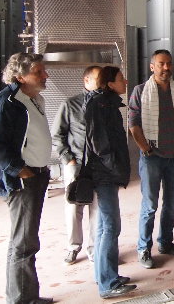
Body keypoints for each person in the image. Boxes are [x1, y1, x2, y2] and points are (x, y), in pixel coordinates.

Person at [0, 53, 53, 304]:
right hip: (23, 180)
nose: (45, 75)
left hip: (38, 175)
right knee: (23, 242)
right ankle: (21, 300)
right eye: (38, 72)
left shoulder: (34, 99)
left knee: (26, 239)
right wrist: (19, 170)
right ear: (20, 76)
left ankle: (25, 296)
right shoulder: (7, 102)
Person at [129, 49, 174, 269]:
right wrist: (145, 148)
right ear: (152, 66)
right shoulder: (140, 91)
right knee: (150, 205)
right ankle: (143, 248)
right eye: (161, 64)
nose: (166, 68)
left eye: (169, 63)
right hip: (152, 157)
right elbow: (133, 123)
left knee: (172, 204)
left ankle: (165, 242)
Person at [84, 66, 137, 299]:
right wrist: (115, 168)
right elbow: (100, 144)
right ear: (109, 83)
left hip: (106, 172)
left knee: (104, 226)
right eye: (120, 78)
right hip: (104, 174)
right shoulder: (100, 104)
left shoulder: (107, 103)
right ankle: (108, 284)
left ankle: (105, 275)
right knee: (110, 226)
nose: (125, 81)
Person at [52, 65, 101, 265]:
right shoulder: (70, 104)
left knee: (97, 208)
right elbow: (58, 134)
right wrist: (68, 159)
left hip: (99, 166)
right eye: (98, 78)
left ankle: (94, 249)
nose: (102, 81)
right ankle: (73, 247)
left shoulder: (105, 104)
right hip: (77, 164)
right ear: (86, 80)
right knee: (74, 207)